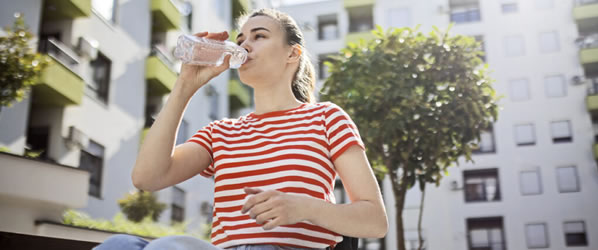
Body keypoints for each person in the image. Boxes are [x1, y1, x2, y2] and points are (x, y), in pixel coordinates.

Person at [94, 8, 387, 250]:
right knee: (119, 245)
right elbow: (146, 177)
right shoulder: (221, 132)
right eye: (240, 38)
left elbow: (375, 220)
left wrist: (305, 208)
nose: (244, 45)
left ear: (292, 54)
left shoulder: (326, 118)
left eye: (259, 36)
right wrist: (185, 85)